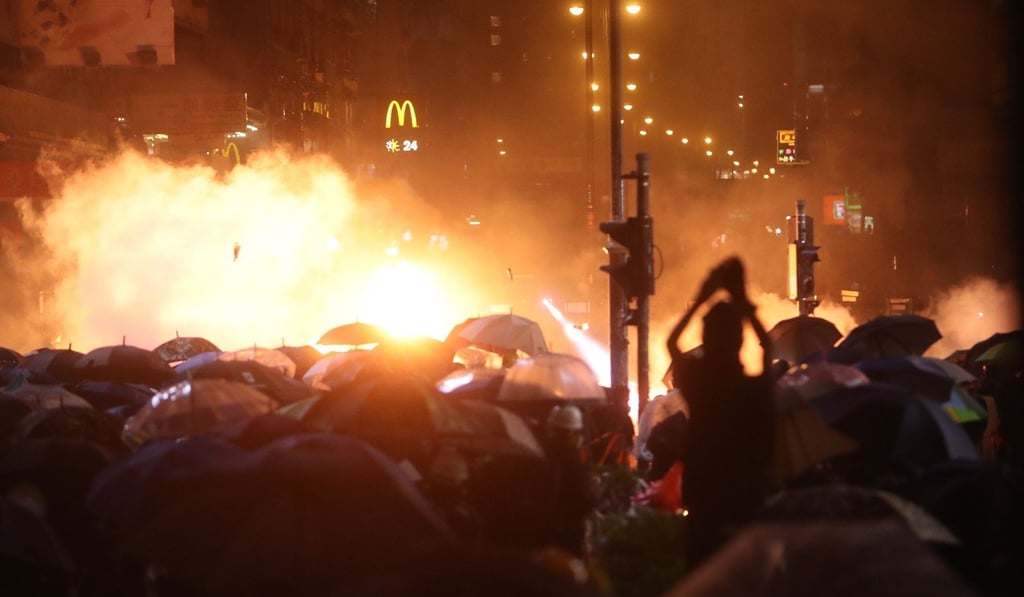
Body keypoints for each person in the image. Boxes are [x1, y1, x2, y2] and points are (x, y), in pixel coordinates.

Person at [666, 256, 775, 565]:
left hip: (703, 490)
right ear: (740, 341)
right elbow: (769, 348)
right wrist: (742, 301)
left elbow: (672, 342)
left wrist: (703, 297)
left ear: (704, 339)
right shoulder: (751, 388)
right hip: (744, 494)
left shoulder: (698, 385)